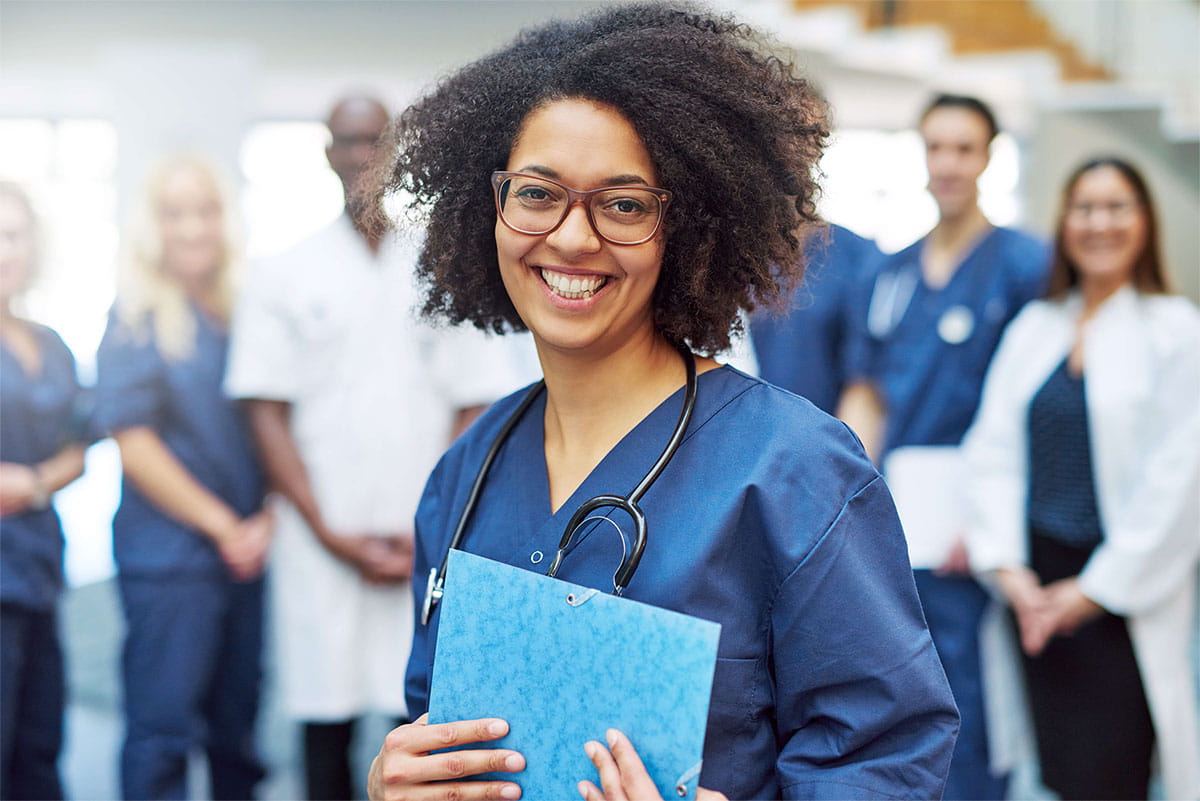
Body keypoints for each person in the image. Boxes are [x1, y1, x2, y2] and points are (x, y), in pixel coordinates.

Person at [364, 6, 959, 800]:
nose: (573, 239)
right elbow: (435, 720)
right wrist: (398, 775)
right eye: (538, 193)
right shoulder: (463, 477)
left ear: (688, 228)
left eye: (625, 204)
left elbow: (891, 763)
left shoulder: (794, 469)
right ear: (490, 209)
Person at [224, 95, 529, 800]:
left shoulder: (441, 264)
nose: (360, 154)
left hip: (421, 540)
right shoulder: (282, 272)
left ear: (393, 150)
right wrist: (331, 532)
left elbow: (474, 398)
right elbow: (264, 409)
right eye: (347, 140)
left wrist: (428, 522)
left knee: (420, 719)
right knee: (324, 719)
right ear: (326, 153)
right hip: (320, 538)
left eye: (374, 140)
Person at [962, 157, 1200, 801]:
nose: (1100, 223)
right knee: (1056, 774)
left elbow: (1180, 480)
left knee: (1115, 774)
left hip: (1119, 596)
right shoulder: (1036, 327)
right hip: (1035, 589)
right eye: (1084, 207)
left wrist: (1091, 593)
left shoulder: (1177, 331)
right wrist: (1011, 573)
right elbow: (993, 450)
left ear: (1146, 221)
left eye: (1117, 206)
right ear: (1063, 223)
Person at [837, 94, 1049, 800]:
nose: (948, 163)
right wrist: (851, 496)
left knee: (971, 679)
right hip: (901, 504)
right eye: (936, 147)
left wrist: (989, 524)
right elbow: (867, 390)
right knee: (899, 671)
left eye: (965, 148)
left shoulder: (1023, 266)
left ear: (989, 157)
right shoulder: (889, 274)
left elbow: (1035, 409)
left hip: (977, 508)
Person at [93, 155, 271, 800]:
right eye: (175, 213)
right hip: (170, 559)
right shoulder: (136, 316)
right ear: (153, 226)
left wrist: (267, 521)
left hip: (247, 554)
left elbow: (274, 425)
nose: (193, 228)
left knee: (238, 735)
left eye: (206, 210)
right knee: (163, 732)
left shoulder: (245, 310)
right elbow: (134, 445)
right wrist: (228, 527)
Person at [0, 182, 88, 800]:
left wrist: (31, 483)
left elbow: (81, 448)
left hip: (35, 564)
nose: (3, 250)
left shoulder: (50, 344)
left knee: (39, 742)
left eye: (12, 234)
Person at [750, 223, 884, 414]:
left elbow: (864, 380)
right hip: (767, 420)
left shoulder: (856, 256)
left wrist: (843, 441)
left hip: (832, 428)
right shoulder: (750, 256)